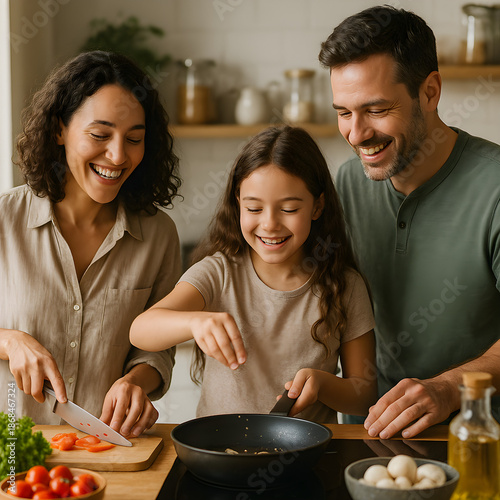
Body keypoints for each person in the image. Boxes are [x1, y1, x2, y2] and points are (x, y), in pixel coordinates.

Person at [319, 5, 500, 438]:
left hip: (476, 441)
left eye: (376, 110)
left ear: (430, 91)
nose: (356, 134)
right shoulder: (345, 183)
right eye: (344, 112)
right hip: (367, 438)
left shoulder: (494, 187)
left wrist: (447, 388)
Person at [130, 125, 377, 423]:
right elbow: (141, 331)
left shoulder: (345, 286)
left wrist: (323, 384)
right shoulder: (218, 273)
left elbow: (364, 396)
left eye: (288, 209)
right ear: (238, 204)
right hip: (218, 451)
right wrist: (195, 321)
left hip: (306, 454)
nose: (270, 224)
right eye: (254, 208)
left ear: (317, 206)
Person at [0, 51, 182, 438]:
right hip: (10, 452)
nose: (118, 155)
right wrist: (10, 341)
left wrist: (137, 381)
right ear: (59, 129)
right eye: (100, 135)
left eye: (134, 138)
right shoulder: (5, 220)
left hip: (103, 450)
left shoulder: (158, 235)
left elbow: (157, 349)